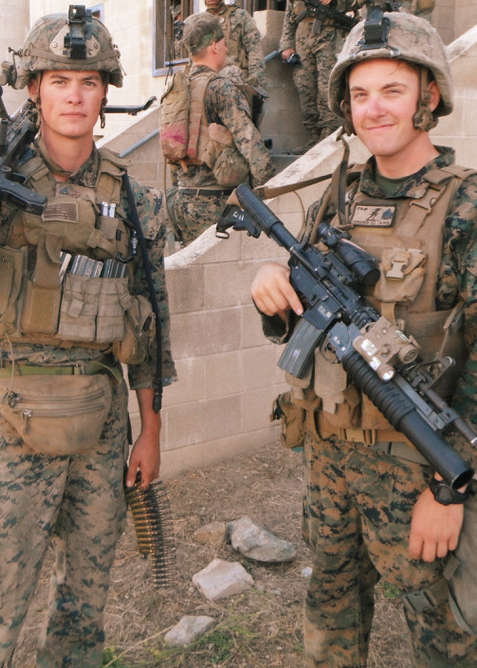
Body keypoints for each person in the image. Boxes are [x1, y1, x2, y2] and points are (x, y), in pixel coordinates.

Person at [0, 6, 176, 667]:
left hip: (102, 431)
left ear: (105, 95)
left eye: (90, 81)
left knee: (82, 613)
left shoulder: (130, 195)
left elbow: (151, 317)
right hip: (11, 430)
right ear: (34, 88)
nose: (75, 94)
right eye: (60, 80)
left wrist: (149, 429)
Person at [251, 9, 477, 667]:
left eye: (392, 90)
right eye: (360, 93)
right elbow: (304, 324)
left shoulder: (464, 206)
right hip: (331, 467)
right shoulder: (338, 196)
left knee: (445, 642)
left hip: (417, 472)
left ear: (428, 97)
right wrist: (275, 293)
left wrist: (448, 491)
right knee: (330, 629)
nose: (374, 108)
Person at [164, 13, 273, 247]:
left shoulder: (178, 86)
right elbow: (250, 144)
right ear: (214, 47)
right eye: (224, 43)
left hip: (180, 202)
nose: (226, 49)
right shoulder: (220, 87)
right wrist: (269, 191)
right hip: (213, 205)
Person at [279, 0, 359, 149]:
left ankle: (327, 135)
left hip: (329, 38)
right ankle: (314, 136)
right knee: (305, 87)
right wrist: (286, 45)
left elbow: (355, 4)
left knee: (326, 86)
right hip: (302, 40)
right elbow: (289, 19)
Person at [204, 0, 266, 90]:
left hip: (236, 83)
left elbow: (254, 50)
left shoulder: (240, 16)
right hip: (207, 83)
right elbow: (194, 57)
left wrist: (256, 83)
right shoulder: (200, 21)